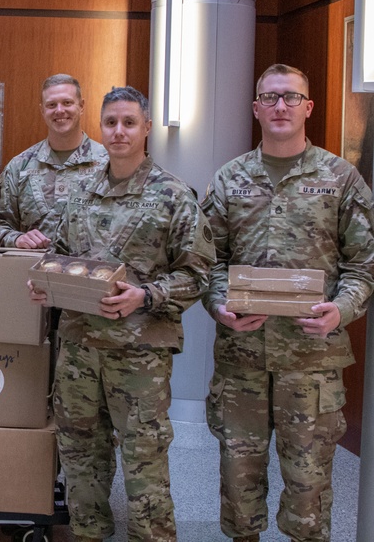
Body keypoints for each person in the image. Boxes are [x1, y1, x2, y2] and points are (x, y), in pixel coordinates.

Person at [28, 86, 215, 541]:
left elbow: (199, 274)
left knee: (144, 458)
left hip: (139, 356)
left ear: (146, 128)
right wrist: (49, 286)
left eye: (129, 122)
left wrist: (145, 296)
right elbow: (62, 257)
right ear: (101, 127)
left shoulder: (173, 194)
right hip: (78, 352)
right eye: (111, 122)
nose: (119, 131)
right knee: (79, 455)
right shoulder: (80, 195)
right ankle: (89, 534)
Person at [201, 64, 374, 542]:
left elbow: (364, 264)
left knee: (308, 490)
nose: (281, 106)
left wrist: (343, 309)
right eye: (271, 97)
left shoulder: (341, 179)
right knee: (240, 486)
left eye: (292, 97)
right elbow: (206, 262)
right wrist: (219, 305)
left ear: (308, 107)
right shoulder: (229, 179)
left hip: (311, 364)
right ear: (256, 107)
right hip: (242, 363)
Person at [0, 73, 107, 248]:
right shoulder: (19, 166)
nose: (59, 110)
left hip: (89, 273)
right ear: (42, 110)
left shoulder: (108, 164)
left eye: (67, 102)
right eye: (51, 105)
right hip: (32, 272)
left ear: (81, 106)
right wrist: (17, 239)